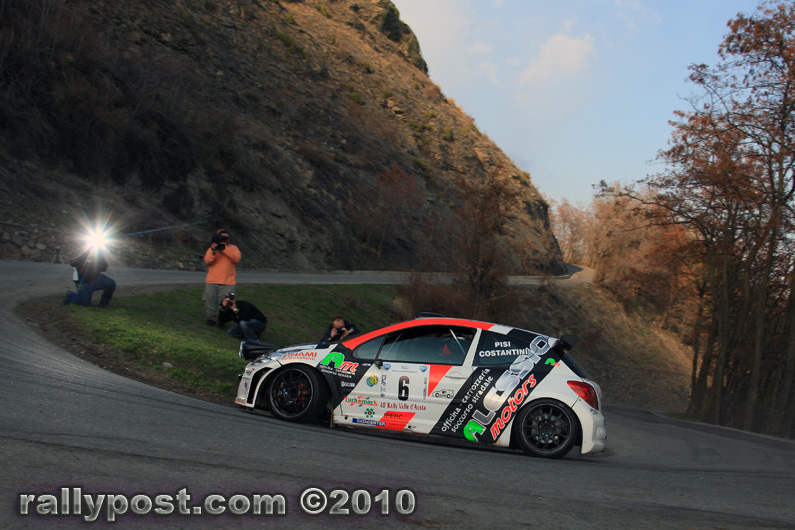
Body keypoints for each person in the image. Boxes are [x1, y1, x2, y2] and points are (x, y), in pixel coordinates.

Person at [203, 229, 241, 326]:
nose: (224, 239)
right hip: (212, 280)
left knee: (226, 303)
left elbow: (236, 259)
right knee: (210, 300)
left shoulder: (233, 248)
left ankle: (222, 320)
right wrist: (213, 250)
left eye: (226, 237)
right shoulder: (212, 249)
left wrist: (225, 249)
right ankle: (211, 318)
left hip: (228, 282)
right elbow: (208, 261)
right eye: (222, 237)